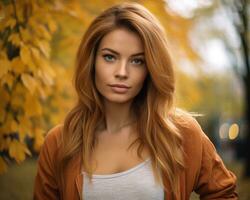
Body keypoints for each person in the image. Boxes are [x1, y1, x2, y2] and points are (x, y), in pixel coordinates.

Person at [33, 2, 238, 200]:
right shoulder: (59, 143)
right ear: (92, 61)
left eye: (137, 61)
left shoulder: (181, 133)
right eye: (110, 57)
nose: (122, 73)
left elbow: (223, 193)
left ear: (151, 69)